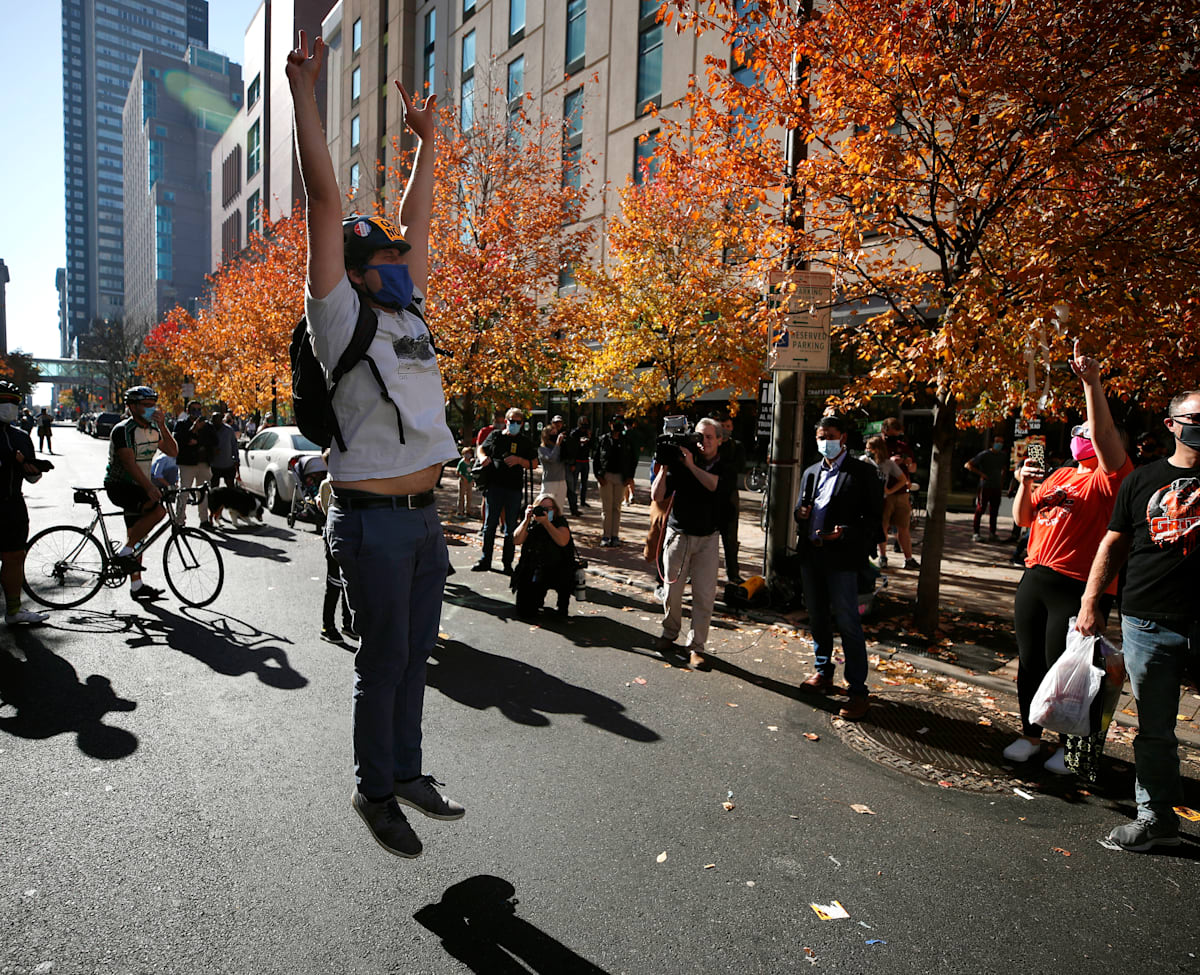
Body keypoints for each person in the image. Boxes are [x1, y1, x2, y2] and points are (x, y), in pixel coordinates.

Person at [289, 31, 465, 859]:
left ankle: (408, 770)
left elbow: (417, 219)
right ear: (353, 270)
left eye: (400, 254)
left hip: (424, 518)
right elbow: (326, 203)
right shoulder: (340, 315)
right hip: (374, 519)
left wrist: (431, 146)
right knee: (383, 657)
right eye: (384, 256)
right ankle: (375, 790)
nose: (400, 258)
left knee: (415, 654)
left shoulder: (408, 309)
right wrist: (305, 93)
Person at [1077, 388, 1200, 852]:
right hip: (1148, 621)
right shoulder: (1142, 480)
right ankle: (1156, 819)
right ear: (1172, 425)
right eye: (1196, 417)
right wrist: (1091, 601)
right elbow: (1112, 545)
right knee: (1155, 728)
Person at [1004, 345, 1132, 773]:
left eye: (1086, 432)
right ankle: (1030, 734)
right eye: (1077, 432)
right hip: (1035, 578)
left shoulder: (1110, 478)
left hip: (1077, 586)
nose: (1081, 436)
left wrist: (1091, 384)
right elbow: (1024, 518)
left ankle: (1068, 745)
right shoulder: (1059, 474)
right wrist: (1023, 483)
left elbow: (1105, 436)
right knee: (1032, 662)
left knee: (1073, 671)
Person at [794, 415, 884, 720]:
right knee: (818, 618)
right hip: (812, 556)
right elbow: (801, 508)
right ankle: (824, 671)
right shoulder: (810, 472)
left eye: (829, 436)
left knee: (847, 622)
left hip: (843, 560)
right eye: (820, 437)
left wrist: (844, 531)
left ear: (842, 437)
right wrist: (800, 512)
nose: (824, 442)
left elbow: (874, 520)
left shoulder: (861, 473)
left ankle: (857, 690)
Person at [651, 418, 732, 671]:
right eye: (699, 436)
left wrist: (690, 464)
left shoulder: (724, 463)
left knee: (704, 597)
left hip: (708, 539)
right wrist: (665, 467)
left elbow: (713, 485)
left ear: (719, 439)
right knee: (671, 591)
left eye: (709, 437)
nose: (703, 442)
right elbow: (657, 496)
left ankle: (696, 647)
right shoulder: (681, 459)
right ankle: (670, 631)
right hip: (679, 536)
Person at [103, 385, 179, 602]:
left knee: (138, 535)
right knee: (158, 512)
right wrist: (149, 488)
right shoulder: (123, 430)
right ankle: (125, 552)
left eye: (152, 405)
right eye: (145, 405)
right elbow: (129, 463)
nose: (151, 409)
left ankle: (136, 585)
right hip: (121, 485)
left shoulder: (154, 429)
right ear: (132, 406)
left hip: (140, 486)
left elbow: (173, 452)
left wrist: (163, 426)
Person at [0, 381, 50, 626]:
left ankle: (13, 610)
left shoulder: (20, 437)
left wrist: (33, 468)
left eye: (13, 402)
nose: (8, 407)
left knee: (14, 557)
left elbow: (33, 478)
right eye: (3, 401)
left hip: (12, 506)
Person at [473, 407, 537, 574]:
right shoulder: (495, 436)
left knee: (510, 528)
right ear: (506, 421)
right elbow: (481, 448)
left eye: (517, 422)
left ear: (522, 423)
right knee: (489, 525)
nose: (513, 424)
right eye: (511, 421)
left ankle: (507, 563)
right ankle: (485, 559)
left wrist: (519, 460)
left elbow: (534, 463)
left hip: (514, 489)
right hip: (494, 486)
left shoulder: (525, 441)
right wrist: (483, 458)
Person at [511, 493, 576, 618]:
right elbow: (516, 540)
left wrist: (547, 523)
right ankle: (535, 600)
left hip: (557, 567)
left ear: (555, 510)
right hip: (533, 566)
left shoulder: (559, 522)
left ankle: (562, 606)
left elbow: (562, 541)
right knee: (525, 612)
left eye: (549, 509)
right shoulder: (531, 522)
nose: (545, 512)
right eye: (541, 508)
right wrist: (526, 519)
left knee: (559, 617)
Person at [863, 435, 910, 569]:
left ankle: (883, 556)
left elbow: (902, 479)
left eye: (870, 448)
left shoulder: (888, 463)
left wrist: (889, 490)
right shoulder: (864, 460)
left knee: (883, 528)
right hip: (867, 500)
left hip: (881, 499)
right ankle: (877, 555)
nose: (868, 451)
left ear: (877, 449)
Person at [593, 414, 637, 547]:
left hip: (621, 477)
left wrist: (629, 477)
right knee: (607, 507)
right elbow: (596, 459)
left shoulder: (627, 440)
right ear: (609, 424)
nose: (617, 425)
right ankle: (606, 536)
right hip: (606, 477)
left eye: (619, 422)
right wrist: (598, 476)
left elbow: (633, 460)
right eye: (614, 422)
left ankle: (615, 535)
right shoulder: (603, 440)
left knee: (616, 507)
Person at [881, 417, 918, 565]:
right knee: (883, 526)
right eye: (891, 434)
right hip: (885, 491)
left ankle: (908, 558)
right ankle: (883, 557)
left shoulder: (904, 446)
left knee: (903, 527)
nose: (894, 438)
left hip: (902, 492)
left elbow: (913, 468)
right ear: (884, 431)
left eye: (897, 435)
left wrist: (908, 463)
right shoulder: (879, 446)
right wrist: (890, 461)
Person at [173, 401, 216, 529]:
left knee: (203, 493)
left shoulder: (207, 426)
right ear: (188, 410)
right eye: (193, 410)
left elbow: (214, 441)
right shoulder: (181, 425)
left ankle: (204, 520)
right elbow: (178, 441)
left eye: (198, 409)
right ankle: (179, 520)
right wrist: (193, 430)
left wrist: (198, 441)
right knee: (183, 492)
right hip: (187, 464)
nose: (196, 412)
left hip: (203, 463)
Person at [718, 415, 747, 584]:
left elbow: (738, 467)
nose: (725, 429)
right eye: (722, 425)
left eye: (727, 426)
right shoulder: (712, 445)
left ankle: (733, 573)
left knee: (730, 539)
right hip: (711, 498)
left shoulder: (736, 447)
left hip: (729, 497)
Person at [966, 436, 1009, 542]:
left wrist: (1001, 481)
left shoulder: (1002, 456)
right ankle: (976, 533)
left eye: (1001, 442)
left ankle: (992, 533)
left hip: (996, 486)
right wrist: (981, 474)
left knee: (994, 510)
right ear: (992, 443)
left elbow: (1004, 468)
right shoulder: (985, 454)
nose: (999, 444)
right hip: (985, 485)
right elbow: (968, 465)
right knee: (980, 508)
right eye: (997, 442)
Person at [566, 415, 592, 513]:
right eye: (583, 423)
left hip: (585, 460)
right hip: (577, 461)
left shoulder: (587, 432)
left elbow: (592, 445)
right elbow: (571, 446)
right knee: (574, 483)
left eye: (586, 423)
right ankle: (573, 504)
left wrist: (589, 437)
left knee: (584, 483)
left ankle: (583, 501)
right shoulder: (574, 433)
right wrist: (579, 441)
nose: (585, 425)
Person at [538, 424, 568, 504]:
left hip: (562, 481)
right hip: (549, 482)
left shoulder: (561, 447)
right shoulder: (542, 449)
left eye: (556, 433)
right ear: (547, 435)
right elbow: (552, 459)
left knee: (559, 508)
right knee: (546, 507)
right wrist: (557, 445)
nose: (555, 436)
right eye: (552, 433)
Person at [455, 447, 475, 517]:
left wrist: (472, 480)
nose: (468, 455)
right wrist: (463, 478)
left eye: (469, 453)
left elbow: (472, 472)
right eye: (466, 453)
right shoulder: (461, 462)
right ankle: (460, 511)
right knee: (461, 496)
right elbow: (457, 472)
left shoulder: (471, 463)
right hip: (463, 482)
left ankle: (468, 510)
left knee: (469, 497)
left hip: (469, 481)